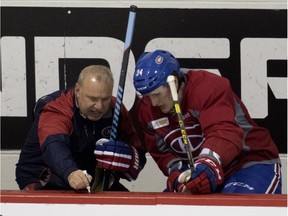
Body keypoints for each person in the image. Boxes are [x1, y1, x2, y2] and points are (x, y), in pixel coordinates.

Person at [133, 49, 282, 194]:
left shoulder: (207, 87)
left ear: (174, 82)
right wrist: (178, 174)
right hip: (202, 171)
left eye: (156, 94)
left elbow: (224, 132)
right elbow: (162, 153)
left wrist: (207, 163)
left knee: (234, 210)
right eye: (146, 96)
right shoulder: (146, 109)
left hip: (248, 162)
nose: (153, 103)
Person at [16, 65, 146, 191]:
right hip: (43, 179)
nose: (99, 107)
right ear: (78, 90)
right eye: (93, 98)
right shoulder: (57, 108)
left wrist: (132, 160)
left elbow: (137, 150)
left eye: (105, 99)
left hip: (88, 179)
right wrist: (70, 172)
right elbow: (54, 147)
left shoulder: (116, 109)